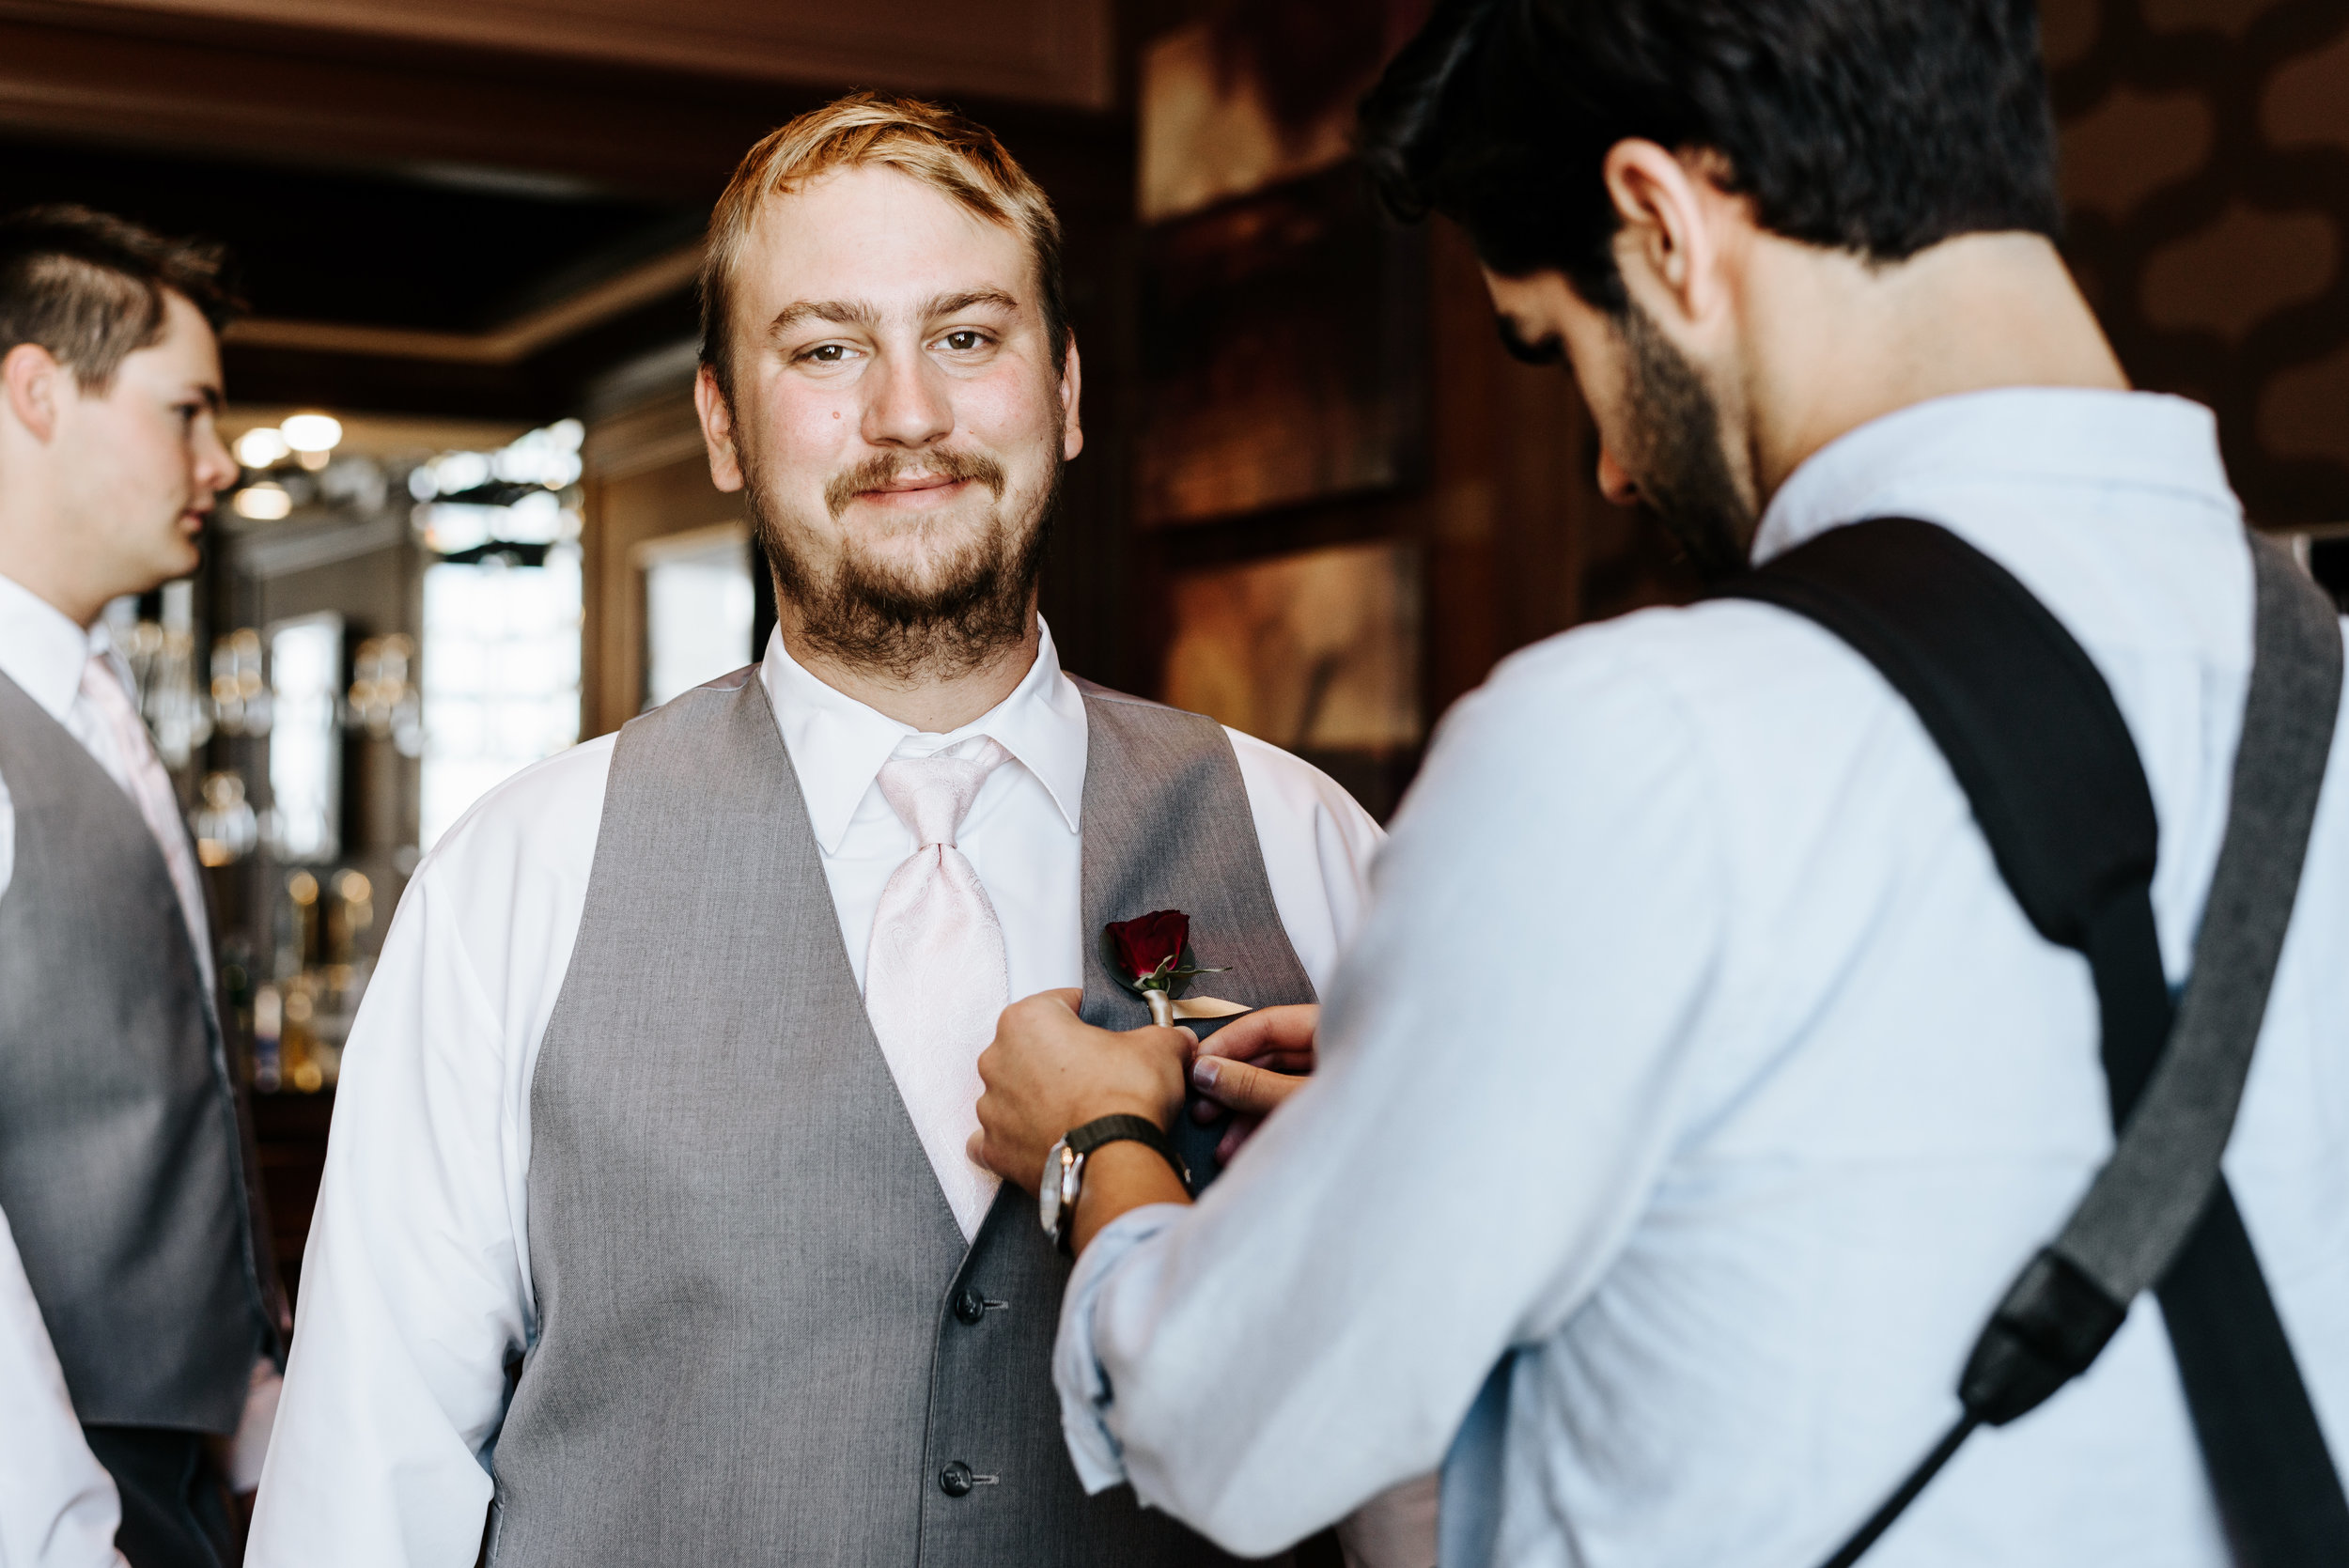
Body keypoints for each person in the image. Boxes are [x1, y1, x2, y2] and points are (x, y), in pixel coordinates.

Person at [966, 1, 2349, 1563]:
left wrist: (1098, 1142)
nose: (1615, 467)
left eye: (1564, 348)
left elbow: (1228, 1427)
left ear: (1663, 226)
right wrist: (1424, 1101)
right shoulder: (2329, 671)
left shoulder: (1638, 739)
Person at [247, 93, 1430, 1568]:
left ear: (1064, 389)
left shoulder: (1310, 840)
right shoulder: (519, 876)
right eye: (825, 349)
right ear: (724, 424)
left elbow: (1419, 1438)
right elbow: (372, 1477)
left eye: (968, 336)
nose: (907, 414)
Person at [0, 207, 284, 1568]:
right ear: (37, 390)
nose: (219, 463)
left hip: (173, 1458)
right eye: (188, 412)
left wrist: (250, 1401)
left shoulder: (102, 699)